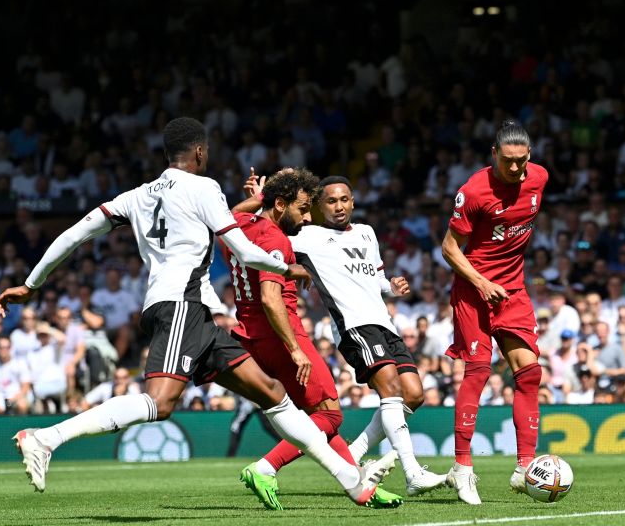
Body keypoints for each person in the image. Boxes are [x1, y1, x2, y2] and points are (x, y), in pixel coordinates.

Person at [0, 117, 396, 506]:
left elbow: (76, 231)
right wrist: (284, 266)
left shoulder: (135, 196)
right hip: (181, 306)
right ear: (200, 152)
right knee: (160, 403)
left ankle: (353, 483)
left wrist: (32, 284)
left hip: (196, 313)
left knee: (272, 393)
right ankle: (47, 438)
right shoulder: (204, 188)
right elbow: (242, 248)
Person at [234, 172, 445, 502]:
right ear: (318, 206)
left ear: (354, 201)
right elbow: (266, 256)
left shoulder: (365, 233)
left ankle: (358, 470)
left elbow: (375, 278)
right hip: (335, 327)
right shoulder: (300, 236)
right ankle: (411, 473)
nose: (337, 206)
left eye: (344, 199)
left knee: (407, 396)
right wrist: (268, 203)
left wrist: (391, 287)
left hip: (380, 322)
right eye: (326, 202)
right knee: (346, 407)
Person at [441, 120, 548, 504]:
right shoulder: (473, 191)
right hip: (473, 291)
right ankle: (463, 467)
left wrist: (500, 283)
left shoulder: (539, 179)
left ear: (530, 156)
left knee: (530, 373)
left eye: (521, 161)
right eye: (508, 162)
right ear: (493, 155)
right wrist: (482, 282)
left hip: (514, 290)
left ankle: (525, 468)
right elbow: (449, 248)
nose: (516, 169)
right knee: (479, 370)